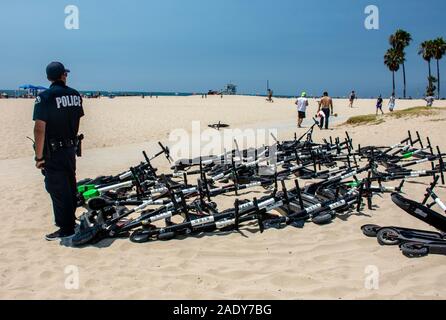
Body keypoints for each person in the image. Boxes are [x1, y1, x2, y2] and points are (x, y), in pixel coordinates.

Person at [33, 62, 84, 241]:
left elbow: (39, 129)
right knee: (69, 185)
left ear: (48, 77)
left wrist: (39, 157)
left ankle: (66, 229)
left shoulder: (45, 97)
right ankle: (69, 222)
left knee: (57, 188)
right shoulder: (75, 95)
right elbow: (76, 120)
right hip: (70, 148)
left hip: (53, 151)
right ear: (63, 75)